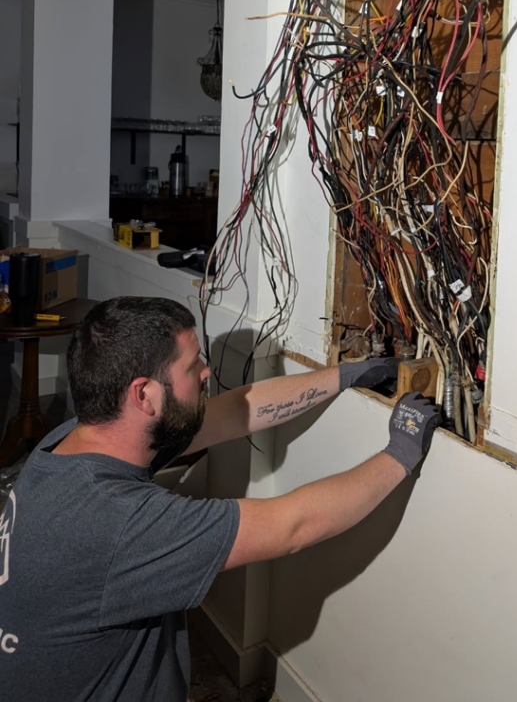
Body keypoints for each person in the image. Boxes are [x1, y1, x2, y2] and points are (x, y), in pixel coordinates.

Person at [0, 296, 440, 701]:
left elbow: (231, 413)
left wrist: (344, 376)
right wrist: (399, 454)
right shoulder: (117, 523)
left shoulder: (74, 441)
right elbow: (293, 527)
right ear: (144, 394)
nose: (207, 372)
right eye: (193, 368)